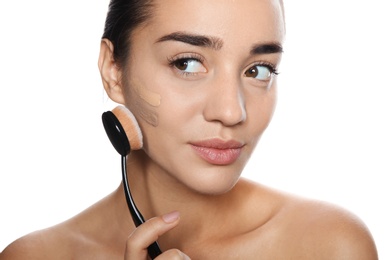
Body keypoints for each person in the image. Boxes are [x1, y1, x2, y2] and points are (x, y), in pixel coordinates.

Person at [0, 0, 378, 259]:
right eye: (187, 63)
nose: (231, 112)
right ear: (113, 71)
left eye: (258, 70)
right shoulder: (34, 256)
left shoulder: (327, 245)